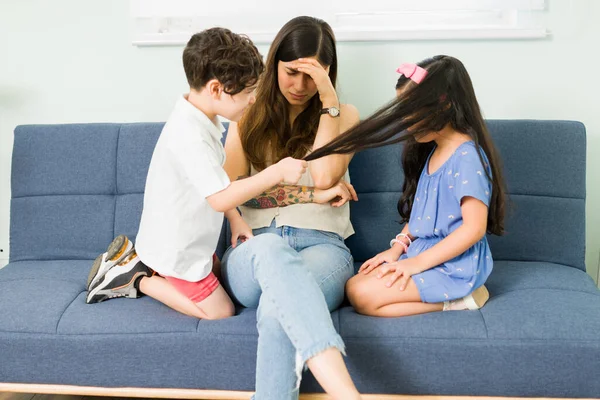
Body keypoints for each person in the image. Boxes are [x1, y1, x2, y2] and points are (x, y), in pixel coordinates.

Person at [85, 27, 348, 321]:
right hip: (186, 247)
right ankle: (135, 276)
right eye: (248, 91)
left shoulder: (205, 121)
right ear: (216, 89)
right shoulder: (192, 134)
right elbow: (222, 196)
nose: (252, 100)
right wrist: (277, 171)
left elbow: (222, 186)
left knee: (244, 284)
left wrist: (236, 220)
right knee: (221, 311)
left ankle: (150, 267)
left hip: (201, 242)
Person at [221, 16, 363, 400]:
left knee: (275, 309)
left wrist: (329, 102)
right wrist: (303, 196)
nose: (300, 86)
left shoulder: (344, 115)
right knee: (269, 250)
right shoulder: (246, 116)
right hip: (255, 250)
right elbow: (231, 194)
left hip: (323, 248)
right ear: (274, 65)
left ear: (327, 73)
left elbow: (322, 176)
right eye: (291, 72)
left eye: (311, 76)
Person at [306, 55, 507, 317]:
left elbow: (474, 228)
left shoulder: (467, 157)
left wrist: (415, 264)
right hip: (422, 255)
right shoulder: (433, 152)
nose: (405, 120)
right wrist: (396, 249)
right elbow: (422, 216)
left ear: (443, 104)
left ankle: (463, 299)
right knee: (354, 286)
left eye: (410, 110)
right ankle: (449, 295)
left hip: (454, 265)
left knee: (365, 298)